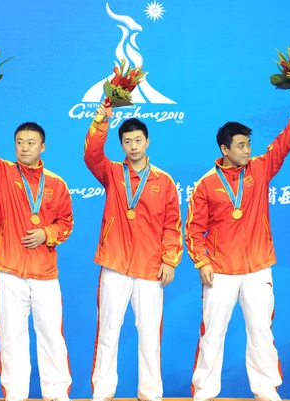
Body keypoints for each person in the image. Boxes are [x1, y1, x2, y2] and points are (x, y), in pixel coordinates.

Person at [185, 88, 290, 401]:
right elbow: (193, 229)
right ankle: (204, 391)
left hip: (258, 267)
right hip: (220, 271)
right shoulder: (207, 184)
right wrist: (202, 262)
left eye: (248, 144)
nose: (247, 150)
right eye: (241, 145)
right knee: (213, 333)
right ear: (224, 149)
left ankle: (265, 389)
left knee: (261, 331)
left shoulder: (260, 169)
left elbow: (284, 144)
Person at [0, 95, 73, 401]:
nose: (24, 147)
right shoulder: (1, 173)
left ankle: (56, 394)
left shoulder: (57, 184)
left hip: (45, 273)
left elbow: (66, 223)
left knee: (52, 337)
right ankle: (15, 394)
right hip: (11, 271)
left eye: (31, 142)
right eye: (19, 142)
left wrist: (47, 233)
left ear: (43, 147)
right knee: (12, 338)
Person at [84, 105, 182, 401]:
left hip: (151, 268)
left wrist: (169, 260)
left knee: (150, 335)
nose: (134, 146)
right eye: (127, 141)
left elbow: (172, 224)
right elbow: (90, 156)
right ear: (121, 144)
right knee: (108, 332)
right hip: (114, 264)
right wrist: (101, 119)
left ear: (147, 141)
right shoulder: (113, 172)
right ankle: (102, 393)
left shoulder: (163, 181)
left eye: (138, 140)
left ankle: (151, 394)